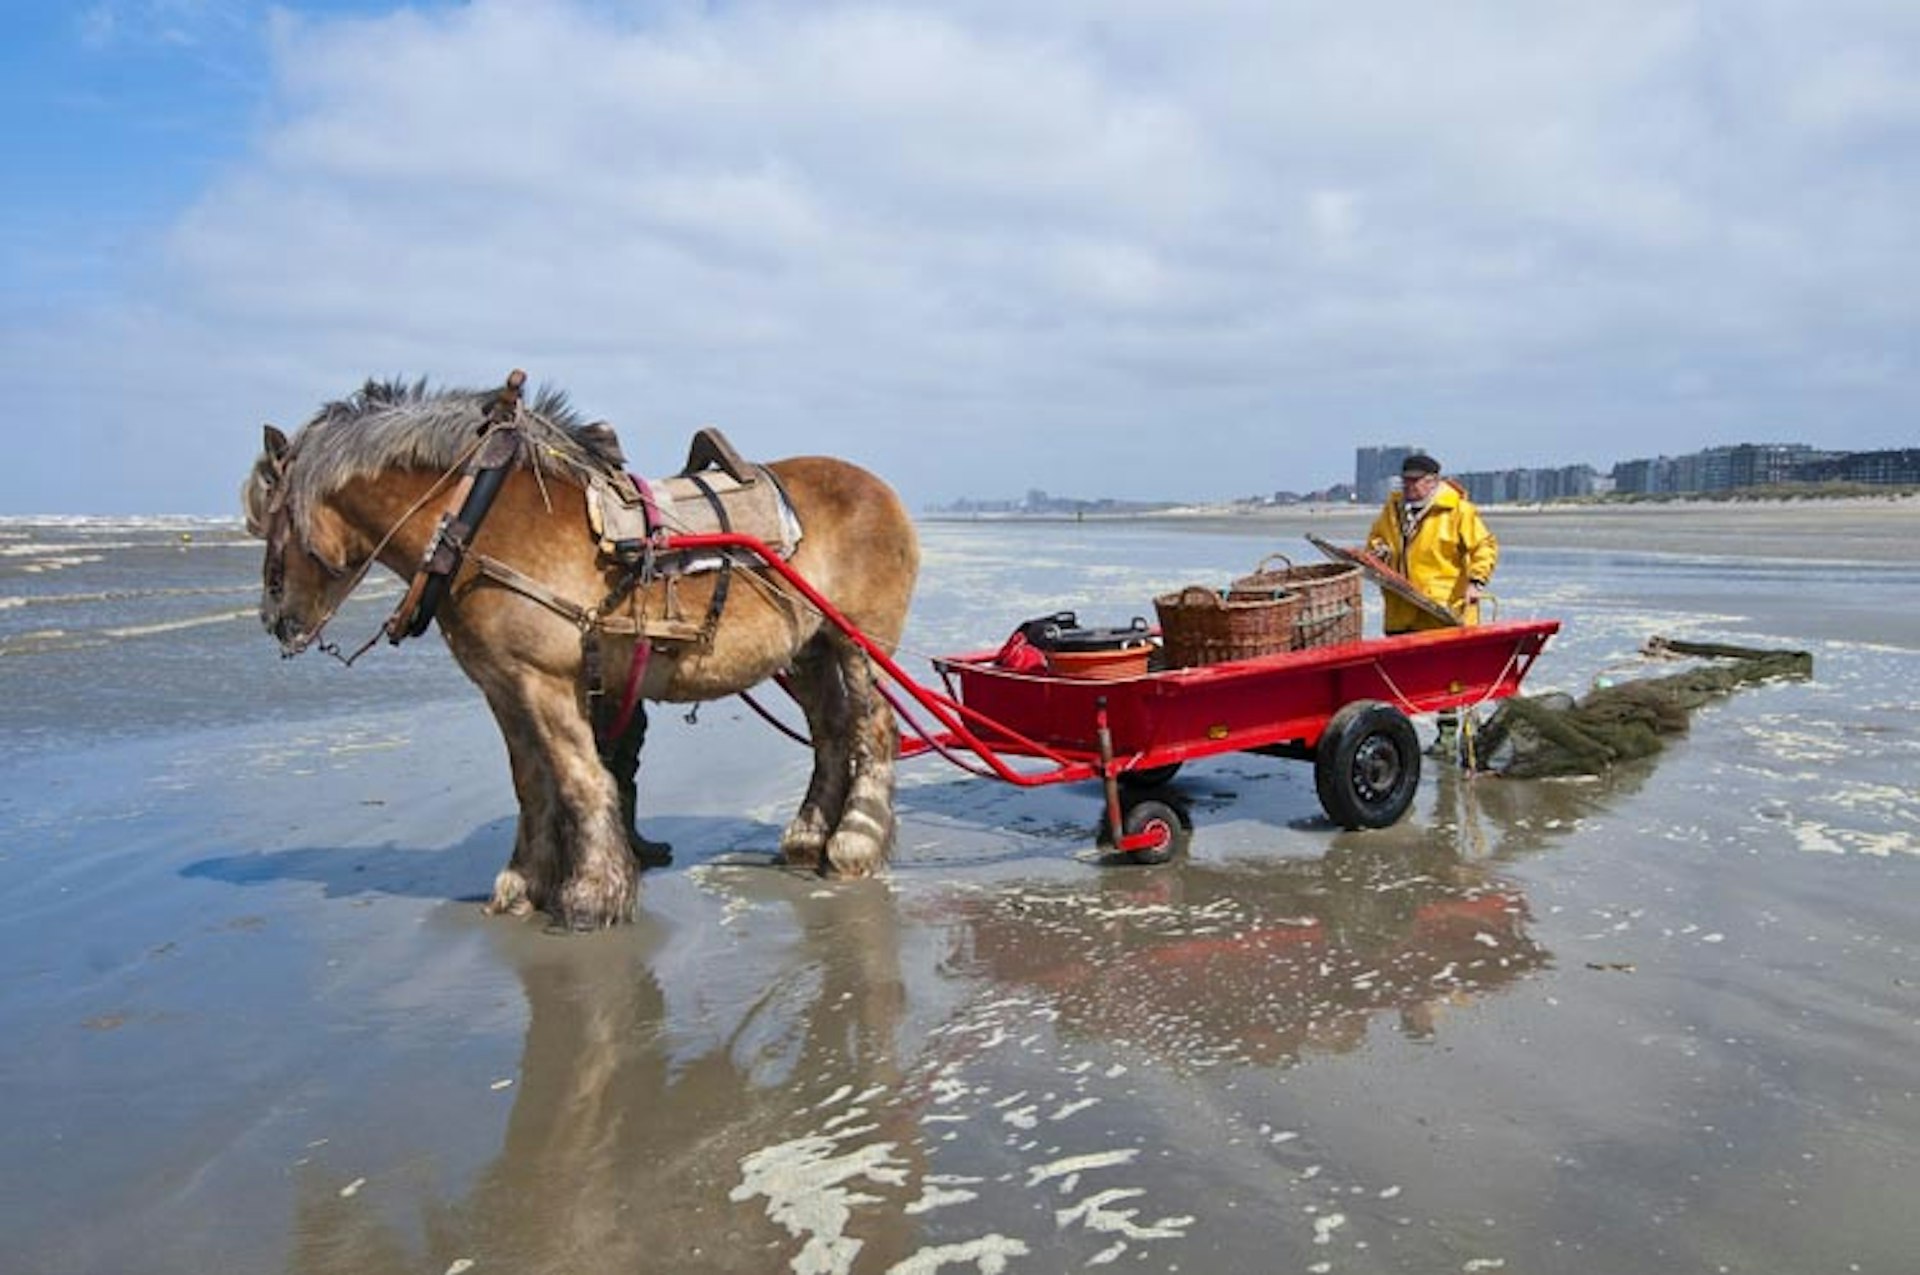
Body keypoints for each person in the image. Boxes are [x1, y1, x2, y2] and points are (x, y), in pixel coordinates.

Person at [1365, 453, 1499, 753]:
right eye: (1406, 481)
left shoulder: (1458, 511)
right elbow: (1374, 542)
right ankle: (1401, 739)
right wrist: (1379, 551)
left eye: (1416, 481)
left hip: (1444, 611)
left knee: (1449, 678)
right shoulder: (1392, 510)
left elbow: (1484, 546)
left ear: (1433, 481)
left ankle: (1449, 738)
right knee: (1401, 680)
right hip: (1401, 608)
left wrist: (1476, 582)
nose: (1410, 487)